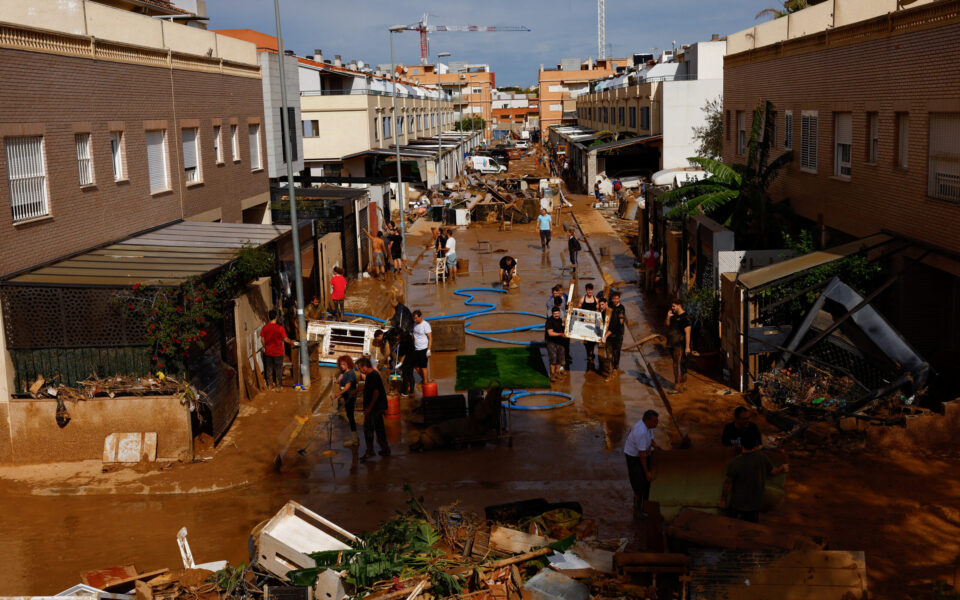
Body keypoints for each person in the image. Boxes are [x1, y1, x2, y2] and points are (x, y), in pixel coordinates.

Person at [722, 430, 788, 522]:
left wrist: (723, 500)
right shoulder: (762, 458)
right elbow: (773, 471)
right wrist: (782, 467)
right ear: (756, 445)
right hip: (754, 505)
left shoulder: (735, 462)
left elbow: (727, 483)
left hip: (737, 504)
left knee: (728, 525)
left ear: (741, 444)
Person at [624, 409, 659, 515]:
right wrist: (647, 472)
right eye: (655, 421)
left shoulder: (648, 427)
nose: (656, 423)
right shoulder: (641, 432)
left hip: (642, 452)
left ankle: (643, 499)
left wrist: (656, 446)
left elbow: (651, 439)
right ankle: (639, 507)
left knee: (645, 482)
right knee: (638, 481)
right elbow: (642, 456)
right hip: (633, 457)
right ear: (648, 421)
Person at [356, 357, 390, 460]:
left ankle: (370, 451)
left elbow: (376, 392)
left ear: (365, 367)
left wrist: (369, 408)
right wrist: (356, 390)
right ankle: (385, 449)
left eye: (359, 368)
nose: (359, 371)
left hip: (375, 407)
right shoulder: (371, 375)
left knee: (369, 429)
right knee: (379, 429)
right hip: (378, 407)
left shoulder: (372, 376)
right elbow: (368, 387)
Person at [260, 309, 296, 391]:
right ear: (276, 317)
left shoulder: (265, 328)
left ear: (269, 317)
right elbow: (286, 339)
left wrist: (265, 347)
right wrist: (291, 342)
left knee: (269, 369)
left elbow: (262, 339)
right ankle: (279, 386)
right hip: (278, 352)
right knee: (278, 369)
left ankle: (269, 385)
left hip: (268, 352)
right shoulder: (280, 328)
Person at [331, 356, 359, 447]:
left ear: (348, 363)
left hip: (350, 397)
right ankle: (354, 437)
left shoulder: (350, 373)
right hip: (346, 396)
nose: (342, 366)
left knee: (350, 417)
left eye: (344, 364)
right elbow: (341, 382)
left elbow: (347, 387)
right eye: (340, 364)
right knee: (349, 416)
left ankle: (355, 440)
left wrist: (337, 395)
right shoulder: (345, 372)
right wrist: (336, 381)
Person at [666, 299, 692, 393]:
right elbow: (667, 325)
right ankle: (682, 385)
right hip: (672, 343)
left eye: (674, 306)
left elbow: (688, 333)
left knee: (677, 364)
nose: (672, 308)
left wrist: (687, 347)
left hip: (680, 344)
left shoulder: (685, 318)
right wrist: (668, 317)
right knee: (679, 364)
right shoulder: (673, 315)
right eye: (672, 306)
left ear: (679, 306)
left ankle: (677, 386)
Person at [577, 284, 600, 371]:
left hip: (593, 324)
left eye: (591, 290)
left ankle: (592, 353)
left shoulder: (596, 300)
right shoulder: (582, 299)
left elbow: (598, 312)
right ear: (586, 290)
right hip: (585, 324)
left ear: (592, 290)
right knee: (586, 342)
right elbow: (577, 310)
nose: (589, 292)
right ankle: (589, 355)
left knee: (593, 341)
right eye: (588, 290)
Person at [603, 291, 626, 375]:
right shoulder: (609, 305)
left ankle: (616, 368)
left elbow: (618, 325)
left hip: (617, 335)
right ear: (611, 299)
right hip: (609, 335)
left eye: (617, 298)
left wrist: (606, 334)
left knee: (616, 353)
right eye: (614, 299)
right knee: (609, 355)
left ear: (619, 298)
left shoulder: (621, 309)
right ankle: (610, 371)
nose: (615, 300)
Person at [544, 306, 567, 381]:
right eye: (555, 314)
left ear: (560, 313)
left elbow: (564, 329)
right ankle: (552, 375)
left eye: (558, 313)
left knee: (560, 359)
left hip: (560, 342)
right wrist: (560, 334)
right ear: (552, 314)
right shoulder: (549, 321)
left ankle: (557, 373)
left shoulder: (561, 320)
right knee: (553, 359)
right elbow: (550, 333)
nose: (557, 315)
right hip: (551, 342)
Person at [412, 310, 433, 385]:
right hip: (416, 348)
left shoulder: (425, 325)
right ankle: (423, 379)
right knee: (416, 366)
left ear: (420, 317)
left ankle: (426, 382)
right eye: (414, 318)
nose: (415, 320)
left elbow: (430, 337)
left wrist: (429, 349)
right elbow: (414, 336)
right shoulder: (414, 324)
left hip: (423, 348)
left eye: (416, 318)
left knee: (423, 367)